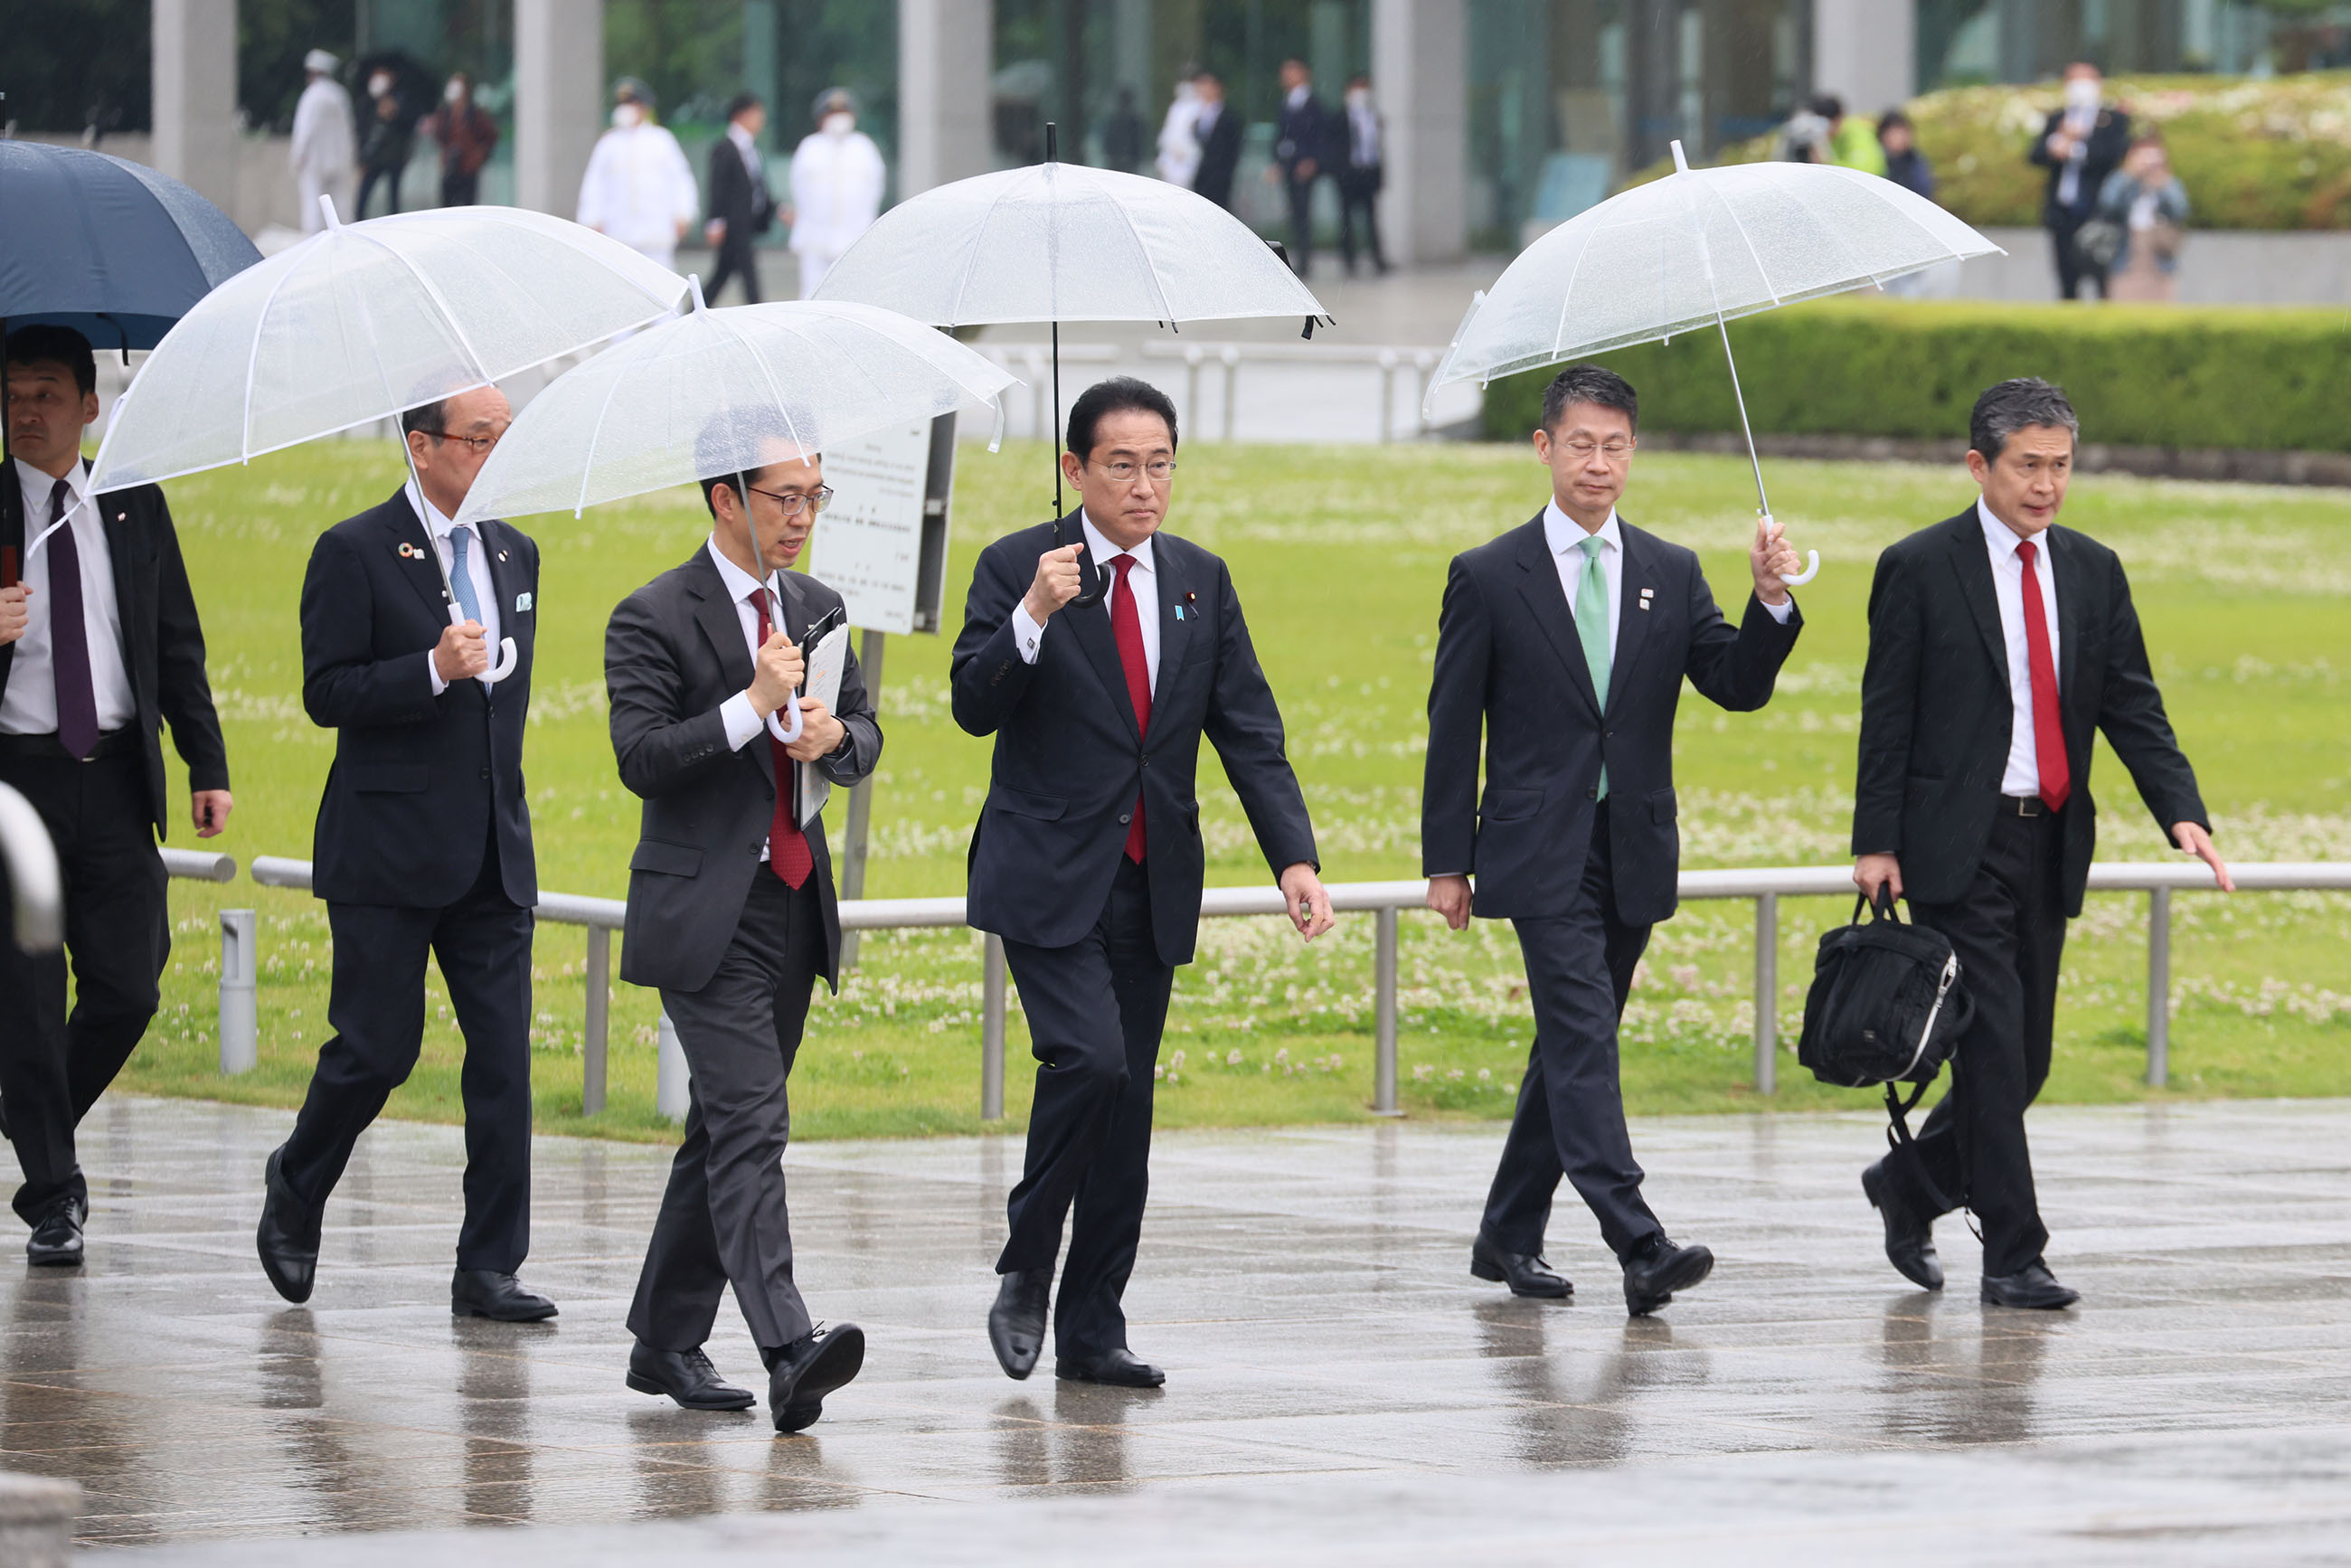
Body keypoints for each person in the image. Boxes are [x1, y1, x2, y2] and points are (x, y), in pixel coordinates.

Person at [952, 377, 1331, 1387]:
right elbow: (971, 704)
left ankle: (1093, 1326)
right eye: (1120, 464)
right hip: (1044, 876)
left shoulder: (1199, 580)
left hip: (1150, 879)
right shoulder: (1018, 568)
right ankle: (1026, 1265)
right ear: (1073, 469)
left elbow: (1247, 730)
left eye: (1159, 463)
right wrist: (1033, 611)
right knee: (1090, 1063)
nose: (1144, 484)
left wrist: (1292, 857)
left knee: (1128, 1112)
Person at [1422, 364, 1803, 1317]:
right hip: (1531, 846)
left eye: (1615, 445)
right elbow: (1450, 724)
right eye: (1580, 444)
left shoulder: (1669, 572)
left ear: (1634, 452)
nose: (1598, 463)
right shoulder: (1486, 574)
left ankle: (1507, 1231)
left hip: (1627, 842)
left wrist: (1768, 602)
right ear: (1544, 448)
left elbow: (1734, 684)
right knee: (1584, 1035)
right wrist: (1445, 860)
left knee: (1568, 1047)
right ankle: (1637, 1240)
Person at [1851, 378, 2228, 1311]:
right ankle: (2013, 1255)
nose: (2046, 484)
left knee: (2027, 1059)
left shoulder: (2093, 570)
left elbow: (2129, 702)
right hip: (1954, 843)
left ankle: (1908, 1184)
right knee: (1990, 1054)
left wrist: (2179, 809)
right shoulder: (1917, 565)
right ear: (1979, 465)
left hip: (2048, 839)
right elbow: (1885, 714)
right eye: (2028, 466)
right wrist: (1875, 841)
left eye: (2059, 465)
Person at [256, 385, 556, 1325]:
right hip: (387, 850)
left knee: (504, 1063)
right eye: (479, 438)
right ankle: (297, 1184)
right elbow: (326, 690)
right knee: (378, 1051)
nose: (495, 452)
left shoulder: (515, 551)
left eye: (506, 436)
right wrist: (430, 667)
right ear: (422, 447)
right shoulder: (353, 550)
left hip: (490, 854)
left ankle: (488, 1267)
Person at [604, 441, 880, 1432]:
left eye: (816, 495)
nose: (803, 514)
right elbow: (641, 758)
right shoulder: (651, 614)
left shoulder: (819, 605)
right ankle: (787, 1344)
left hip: (794, 907)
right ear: (726, 498)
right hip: (703, 911)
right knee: (754, 1121)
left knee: (722, 1129)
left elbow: (866, 730)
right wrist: (749, 707)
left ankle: (663, 1336)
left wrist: (832, 739)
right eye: (784, 496)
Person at [0, 325, 231, 1266]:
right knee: (24, 991)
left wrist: (205, 762)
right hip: (15, 785)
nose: (27, 411)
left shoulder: (131, 503)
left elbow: (176, 640)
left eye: (47, 394)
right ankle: (54, 1193)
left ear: (90, 406)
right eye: (14, 394)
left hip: (118, 772)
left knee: (130, 986)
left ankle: (26, 1109)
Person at [2030, 62, 2131, 300]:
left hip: (2098, 212)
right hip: (2063, 212)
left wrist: (2076, 148)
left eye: (2086, 81)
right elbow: (2035, 156)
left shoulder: (2112, 118)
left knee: (2102, 279)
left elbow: (2113, 154)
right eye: (2074, 81)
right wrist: (2057, 143)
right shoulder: (2058, 118)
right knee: (2066, 279)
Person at [577, 78, 700, 273]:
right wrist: (591, 219)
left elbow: (681, 180)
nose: (627, 109)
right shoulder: (608, 144)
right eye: (623, 104)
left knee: (662, 287)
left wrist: (684, 213)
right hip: (618, 234)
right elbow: (594, 185)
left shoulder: (661, 140)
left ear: (644, 108)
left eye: (632, 104)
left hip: (656, 233)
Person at [785, 89, 886, 300]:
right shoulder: (810, 147)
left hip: (855, 237)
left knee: (855, 298)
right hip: (815, 238)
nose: (838, 119)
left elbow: (876, 189)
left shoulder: (864, 148)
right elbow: (798, 188)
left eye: (843, 113)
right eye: (832, 114)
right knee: (812, 296)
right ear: (821, 118)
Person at [2097, 135, 2189, 304]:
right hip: (2126, 251)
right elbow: (2108, 205)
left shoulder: (2168, 182)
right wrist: (2129, 175)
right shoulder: (2121, 179)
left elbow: (2180, 211)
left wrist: (2162, 183)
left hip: (2158, 255)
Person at [705, 92, 776, 306]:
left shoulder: (751, 149)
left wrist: (777, 208)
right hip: (733, 223)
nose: (761, 120)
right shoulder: (725, 148)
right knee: (746, 274)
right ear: (742, 115)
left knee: (723, 274)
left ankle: (693, 313)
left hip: (747, 222)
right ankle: (758, 313)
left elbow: (756, 187)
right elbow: (718, 186)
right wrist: (716, 220)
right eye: (757, 114)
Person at [1270, 59, 1330, 276]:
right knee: (1294, 214)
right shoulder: (1285, 102)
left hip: (1304, 169)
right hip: (1289, 166)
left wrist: (1312, 160)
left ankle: (1305, 259)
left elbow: (1319, 136)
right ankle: (1298, 257)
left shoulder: (1313, 103)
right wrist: (1277, 162)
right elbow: (1280, 136)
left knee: (1304, 214)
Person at [290, 49, 355, 233]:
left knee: (312, 202)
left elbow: (304, 130)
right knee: (341, 203)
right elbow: (348, 128)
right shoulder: (340, 94)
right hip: (339, 159)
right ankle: (346, 236)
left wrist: (297, 157)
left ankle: (312, 238)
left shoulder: (311, 96)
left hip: (314, 161)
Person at [424, 71, 499, 209]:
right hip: (450, 166)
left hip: (469, 168)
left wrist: (480, 154)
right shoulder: (444, 114)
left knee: (467, 206)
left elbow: (491, 135)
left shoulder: (476, 115)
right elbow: (439, 136)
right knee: (447, 206)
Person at [1337, 74, 1388, 276]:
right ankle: (1349, 260)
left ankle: (1378, 259)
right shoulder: (1341, 116)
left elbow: (1377, 149)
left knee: (1371, 219)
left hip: (1368, 173)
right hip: (1348, 173)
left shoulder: (1373, 116)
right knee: (1346, 220)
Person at [354, 68, 414, 220]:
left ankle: (395, 225)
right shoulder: (366, 102)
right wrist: (361, 158)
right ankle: (358, 223)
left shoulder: (400, 100)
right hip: (373, 159)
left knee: (393, 198)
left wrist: (395, 113)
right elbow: (361, 130)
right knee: (363, 196)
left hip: (394, 158)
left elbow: (409, 125)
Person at [1189, 72, 1243, 212]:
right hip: (1200, 176)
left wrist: (1224, 172)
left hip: (1219, 177)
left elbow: (1232, 149)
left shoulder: (1229, 118)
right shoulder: (1196, 115)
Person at [1156, 71, 1203, 188]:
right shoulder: (1176, 107)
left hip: (1190, 160)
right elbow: (1168, 134)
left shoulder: (1200, 106)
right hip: (1171, 160)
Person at [1878, 109, 1934, 200]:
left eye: (1903, 132)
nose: (1899, 138)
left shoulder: (1916, 163)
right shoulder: (1877, 162)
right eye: (1894, 133)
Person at [1102, 85, 1146, 174]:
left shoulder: (1114, 120)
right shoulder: (1134, 121)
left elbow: (1107, 144)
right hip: (1125, 164)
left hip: (1119, 163)